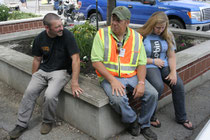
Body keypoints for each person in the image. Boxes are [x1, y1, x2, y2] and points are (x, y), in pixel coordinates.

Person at [9, 13, 83, 139]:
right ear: (47, 28)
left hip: (62, 71)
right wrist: (34, 76)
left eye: (61, 25)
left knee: (49, 95)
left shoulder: (67, 35)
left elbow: (75, 59)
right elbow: (37, 59)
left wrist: (74, 82)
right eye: (57, 27)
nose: (61, 28)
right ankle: (21, 124)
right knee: (29, 92)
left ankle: (48, 121)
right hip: (43, 70)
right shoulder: (40, 39)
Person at [91, 6, 158, 140]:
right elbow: (95, 62)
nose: (114, 23)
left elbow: (141, 63)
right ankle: (132, 121)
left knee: (152, 94)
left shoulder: (137, 37)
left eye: (118, 20)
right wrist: (112, 80)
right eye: (113, 19)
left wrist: (140, 82)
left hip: (132, 76)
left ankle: (144, 124)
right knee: (118, 99)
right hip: (110, 76)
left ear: (127, 22)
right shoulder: (101, 34)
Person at [137, 11, 193, 130]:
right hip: (148, 65)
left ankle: (181, 117)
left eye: (163, 27)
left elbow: (171, 56)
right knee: (158, 86)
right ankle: (151, 117)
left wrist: (173, 72)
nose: (160, 30)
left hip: (164, 65)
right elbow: (135, 58)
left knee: (178, 84)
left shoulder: (168, 34)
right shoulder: (142, 35)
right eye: (158, 28)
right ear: (152, 25)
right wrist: (153, 61)